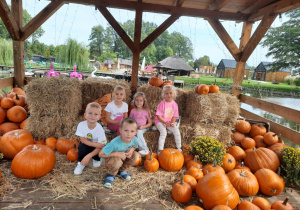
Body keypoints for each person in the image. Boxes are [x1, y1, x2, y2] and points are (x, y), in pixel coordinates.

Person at [99, 117, 140, 189]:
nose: (129, 134)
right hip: (108, 160)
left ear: (136, 132)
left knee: (136, 156)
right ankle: (111, 174)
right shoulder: (114, 143)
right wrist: (117, 154)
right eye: (126, 130)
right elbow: (101, 154)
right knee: (117, 161)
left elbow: (134, 146)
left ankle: (120, 170)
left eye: (132, 131)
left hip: (121, 158)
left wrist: (131, 150)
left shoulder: (134, 139)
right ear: (120, 130)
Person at [74, 102, 107, 175]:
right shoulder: (81, 125)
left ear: (99, 117)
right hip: (87, 144)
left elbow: (101, 145)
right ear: (85, 115)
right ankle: (81, 163)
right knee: (82, 147)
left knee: (101, 149)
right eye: (90, 113)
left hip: (97, 147)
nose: (92, 116)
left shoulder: (100, 129)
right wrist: (94, 144)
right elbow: (82, 139)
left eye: (96, 114)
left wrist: (89, 156)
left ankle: (96, 158)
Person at [155, 85, 182, 154]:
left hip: (169, 122)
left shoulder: (175, 104)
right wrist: (165, 122)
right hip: (160, 121)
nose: (169, 95)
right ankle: (160, 149)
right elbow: (158, 116)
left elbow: (174, 116)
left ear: (174, 94)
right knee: (164, 132)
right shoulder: (162, 104)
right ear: (164, 95)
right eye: (166, 93)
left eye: (170, 93)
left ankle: (179, 148)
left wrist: (172, 123)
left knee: (176, 130)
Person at [129, 92, 152, 156]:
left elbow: (150, 123)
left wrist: (143, 127)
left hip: (143, 128)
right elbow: (130, 121)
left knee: (138, 132)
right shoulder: (133, 111)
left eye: (141, 100)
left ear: (144, 101)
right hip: (134, 127)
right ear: (134, 101)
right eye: (137, 100)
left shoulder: (146, 111)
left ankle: (145, 149)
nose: (139, 102)